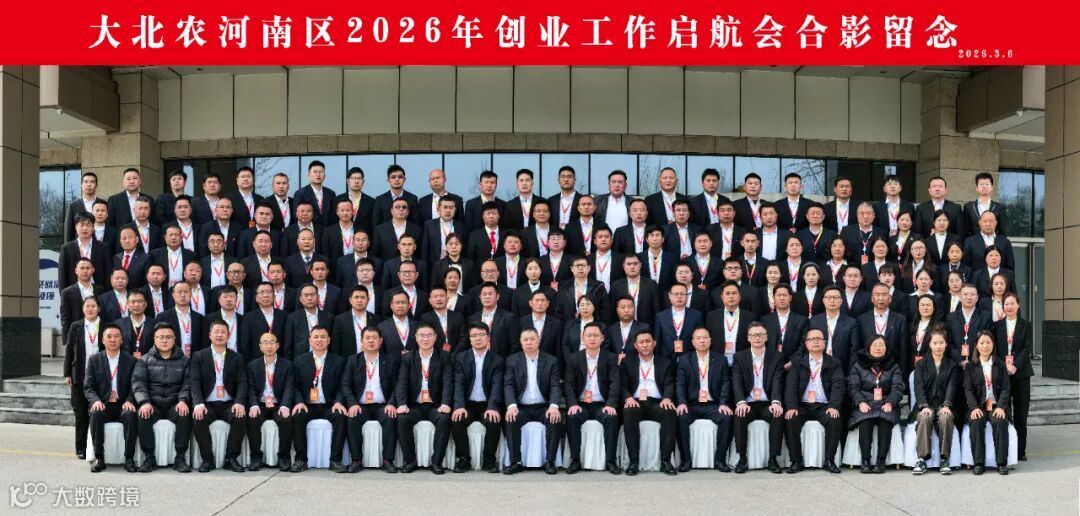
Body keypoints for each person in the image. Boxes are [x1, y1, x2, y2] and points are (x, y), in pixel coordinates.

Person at [132, 323, 193, 473]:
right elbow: (138, 383)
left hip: (174, 403)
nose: (164, 340)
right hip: (153, 403)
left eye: (168, 337)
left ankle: (180, 458)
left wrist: (183, 400)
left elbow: (188, 384)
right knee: (143, 414)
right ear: (154, 339)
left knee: (184, 414)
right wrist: (144, 402)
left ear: (174, 339)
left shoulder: (184, 361)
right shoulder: (144, 360)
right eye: (161, 337)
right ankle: (149, 458)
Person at [189, 319, 248, 473]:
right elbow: (194, 381)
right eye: (216, 332)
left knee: (240, 416)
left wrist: (239, 402)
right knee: (198, 417)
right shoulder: (199, 356)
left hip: (229, 403)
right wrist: (198, 403)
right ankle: (207, 459)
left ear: (228, 336)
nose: (219, 335)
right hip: (208, 404)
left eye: (223, 332)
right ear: (210, 335)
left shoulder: (237, 357)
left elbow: (242, 382)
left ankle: (231, 458)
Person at [502, 328, 563, 475]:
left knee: (554, 418)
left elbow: (555, 385)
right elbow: (508, 385)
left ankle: (550, 461)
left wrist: (554, 406)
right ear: (521, 342)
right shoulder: (512, 360)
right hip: (521, 407)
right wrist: (511, 405)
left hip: (543, 407)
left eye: (532, 339)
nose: (529, 342)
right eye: (525, 339)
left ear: (538, 340)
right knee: (511, 418)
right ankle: (516, 462)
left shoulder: (551, 360)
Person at [340, 326, 401, 473]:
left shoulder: (390, 360)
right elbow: (345, 385)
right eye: (367, 338)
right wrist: (352, 403)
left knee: (390, 416)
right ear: (361, 341)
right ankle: (356, 460)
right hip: (360, 405)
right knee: (352, 417)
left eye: (374, 338)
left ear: (381, 341)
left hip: (382, 405)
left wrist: (392, 403)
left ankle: (387, 460)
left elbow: (398, 385)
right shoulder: (353, 360)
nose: (371, 341)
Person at [394, 323, 454, 474]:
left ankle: (436, 462)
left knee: (444, 418)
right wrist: (402, 403)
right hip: (415, 405)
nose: (425, 339)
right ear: (416, 338)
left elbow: (448, 382)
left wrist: (446, 403)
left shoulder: (444, 357)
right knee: (402, 419)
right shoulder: (408, 358)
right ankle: (410, 461)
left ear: (435, 337)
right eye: (422, 335)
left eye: (429, 335)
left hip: (436, 405)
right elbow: (402, 382)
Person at [783, 328, 844, 474]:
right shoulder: (798, 362)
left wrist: (834, 406)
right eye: (811, 339)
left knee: (834, 420)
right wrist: (792, 406)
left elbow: (839, 386)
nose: (815, 341)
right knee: (791, 419)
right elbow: (791, 386)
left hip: (824, 406)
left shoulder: (834, 363)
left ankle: (829, 460)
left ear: (824, 342)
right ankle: (796, 461)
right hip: (802, 406)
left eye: (819, 338)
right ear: (806, 343)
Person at [563, 322, 621, 474]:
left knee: (611, 417)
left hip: (602, 404)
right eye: (589, 335)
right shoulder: (574, 358)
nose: (592, 338)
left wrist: (611, 404)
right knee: (572, 416)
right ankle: (575, 460)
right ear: (582, 337)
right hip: (581, 404)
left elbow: (615, 383)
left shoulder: (610, 358)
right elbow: (568, 385)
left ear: (602, 338)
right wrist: (572, 404)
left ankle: (611, 461)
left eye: (596, 335)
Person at [619, 331, 678, 475]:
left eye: (648, 341)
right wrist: (628, 398)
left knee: (669, 412)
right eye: (641, 342)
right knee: (629, 411)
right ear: (635, 345)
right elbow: (621, 384)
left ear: (654, 343)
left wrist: (667, 398)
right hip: (635, 402)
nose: (645, 345)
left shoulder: (665, 362)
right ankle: (633, 461)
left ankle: (666, 461)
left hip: (657, 402)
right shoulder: (627, 362)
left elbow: (670, 383)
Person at [290, 326, 348, 472]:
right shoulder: (300, 361)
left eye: (323, 337)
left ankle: (335, 460)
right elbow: (294, 386)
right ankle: (300, 460)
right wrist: (299, 402)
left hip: (330, 405)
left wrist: (338, 401)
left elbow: (343, 385)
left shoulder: (339, 361)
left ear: (329, 340)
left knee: (340, 416)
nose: (319, 340)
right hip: (307, 405)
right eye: (316, 337)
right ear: (310, 340)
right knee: (298, 415)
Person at [675, 327, 733, 472]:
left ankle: (720, 460)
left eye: (705, 338)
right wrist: (681, 402)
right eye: (698, 338)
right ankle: (685, 460)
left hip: (713, 404)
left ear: (710, 341)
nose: (702, 341)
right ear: (693, 342)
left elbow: (726, 382)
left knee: (726, 417)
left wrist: (723, 403)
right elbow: (680, 384)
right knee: (681, 416)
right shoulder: (684, 360)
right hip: (692, 404)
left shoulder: (721, 360)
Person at [731, 322, 785, 474]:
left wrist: (776, 402)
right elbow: (736, 382)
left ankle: (773, 459)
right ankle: (742, 458)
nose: (757, 338)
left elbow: (778, 380)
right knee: (740, 415)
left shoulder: (776, 357)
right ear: (748, 338)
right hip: (748, 403)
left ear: (766, 337)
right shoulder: (739, 357)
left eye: (760, 335)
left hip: (767, 403)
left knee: (777, 414)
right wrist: (741, 402)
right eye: (753, 335)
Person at [450, 323, 505, 473]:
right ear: (469, 339)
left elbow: (497, 385)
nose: (477, 338)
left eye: (481, 335)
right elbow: (458, 383)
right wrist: (459, 406)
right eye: (474, 335)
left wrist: (492, 407)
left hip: (487, 404)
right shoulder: (461, 358)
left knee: (494, 419)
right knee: (457, 419)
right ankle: (463, 459)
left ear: (488, 338)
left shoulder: (497, 360)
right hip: (467, 404)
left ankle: (489, 459)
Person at [84, 323, 139, 472]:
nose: (113, 339)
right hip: (103, 404)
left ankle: (129, 458)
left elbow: (136, 385)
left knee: (130, 415)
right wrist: (95, 401)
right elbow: (88, 386)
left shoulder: (131, 361)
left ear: (122, 339)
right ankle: (100, 458)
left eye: (116, 336)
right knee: (96, 414)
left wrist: (129, 400)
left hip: (122, 404)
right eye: (109, 336)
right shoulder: (94, 360)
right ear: (103, 340)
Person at [848, 335, 905, 474]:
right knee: (865, 422)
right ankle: (865, 460)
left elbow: (898, 388)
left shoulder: (893, 365)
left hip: (886, 403)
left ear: (886, 348)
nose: (878, 348)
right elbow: (853, 387)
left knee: (885, 421)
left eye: (881, 345)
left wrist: (890, 402)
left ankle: (881, 460)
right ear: (868, 347)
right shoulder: (858, 365)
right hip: (866, 403)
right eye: (874, 345)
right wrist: (860, 402)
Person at [911, 326, 960, 475]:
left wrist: (947, 405)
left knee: (946, 417)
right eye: (935, 343)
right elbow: (918, 387)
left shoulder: (952, 365)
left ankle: (945, 459)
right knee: (924, 417)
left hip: (944, 405)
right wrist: (923, 405)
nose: (938, 346)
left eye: (941, 343)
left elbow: (952, 386)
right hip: (926, 405)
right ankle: (922, 459)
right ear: (929, 344)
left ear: (946, 344)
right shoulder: (921, 364)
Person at [245, 332, 296, 472]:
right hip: (260, 404)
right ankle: (256, 457)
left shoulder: (287, 365)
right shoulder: (252, 366)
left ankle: (284, 457)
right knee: (253, 418)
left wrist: (285, 405)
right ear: (260, 346)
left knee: (286, 420)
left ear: (278, 345)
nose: (269, 346)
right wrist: (253, 404)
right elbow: (250, 388)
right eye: (265, 342)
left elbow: (289, 387)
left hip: (278, 404)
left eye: (272, 342)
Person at [963, 330, 1011, 475]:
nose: (985, 346)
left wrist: (1001, 407)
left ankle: (1001, 463)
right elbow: (968, 389)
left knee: (1000, 422)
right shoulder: (970, 366)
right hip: (979, 406)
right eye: (982, 343)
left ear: (993, 344)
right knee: (976, 421)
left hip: (996, 405)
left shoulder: (1000, 365)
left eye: (988, 342)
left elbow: (1006, 388)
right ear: (976, 346)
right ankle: (979, 463)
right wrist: (974, 408)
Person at [994, 292, 1032, 461]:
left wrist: (1015, 365)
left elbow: (1027, 348)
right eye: (1006, 304)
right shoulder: (997, 326)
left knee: (1021, 414)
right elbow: (994, 350)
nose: (1009, 306)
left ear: (1018, 305)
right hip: (1002, 375)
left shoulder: (1026, 325)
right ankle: (1006, 449)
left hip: (1021, 374)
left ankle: (1020, 450)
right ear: (1002, 306)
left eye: (1012, 303)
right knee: (1004, 412)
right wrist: (1005, 366)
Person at [64, 296, 102, 459]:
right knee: (80, 414)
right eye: (87, 306)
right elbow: (69, 351)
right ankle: (81, 448)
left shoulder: (106, 326)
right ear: (83, 309)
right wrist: (67, 373)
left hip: (100, 376)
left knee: (97, 412)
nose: (90, 309)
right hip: (79, 376)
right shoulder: (76, 326)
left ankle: (97, 447)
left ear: (99, 308)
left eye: (93, 306)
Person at [654, 283, 703, 359]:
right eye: (676, 294)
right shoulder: (661, 316)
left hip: (689, 357)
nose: (679, 296)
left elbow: (699, 337)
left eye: (682, 294)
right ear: (669, 296)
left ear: (687, 296)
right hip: (666, 357)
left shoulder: (696, 315)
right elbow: (658, 340)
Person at [962, 172, 1007, 239]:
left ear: (992, 187)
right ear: (977, 188)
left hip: (993, 243)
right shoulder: (969, 207)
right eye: (981, 184)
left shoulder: (999, 207)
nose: (984, 186)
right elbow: (965, 230)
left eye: (987, 184)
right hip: (973, 243)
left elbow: (1003, 231)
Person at [293, 160, 338, 226]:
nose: (318, 174)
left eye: (321, 172)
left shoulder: (331, 194)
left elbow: (334, 216)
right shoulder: (300, 193)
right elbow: (296, 216)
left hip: (328, 230)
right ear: (308, 175)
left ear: (324, 176)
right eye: (315, 172)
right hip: (308, 230)